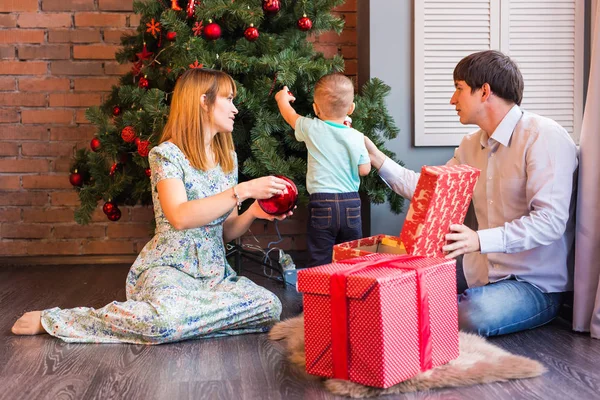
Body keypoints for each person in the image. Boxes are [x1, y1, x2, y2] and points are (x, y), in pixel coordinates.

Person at [12, 68, 294, 344]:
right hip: (168, 268)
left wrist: (255, 210)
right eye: (228, 99)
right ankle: (61, 320)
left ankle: (186, 321)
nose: (235, 108)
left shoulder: (227, 159)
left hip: (213, 273)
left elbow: (225, 231)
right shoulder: (166, 155)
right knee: (162, 323)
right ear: (203, 101)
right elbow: (180, 217)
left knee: (269, 307)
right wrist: (241, 190)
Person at [365, 50, 578, 337]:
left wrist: (479, 239)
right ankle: (414, 316)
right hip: (478, 273)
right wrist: (377, 158)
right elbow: (429, 190)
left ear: (484, 91)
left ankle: (414, 319)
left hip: (535, 285)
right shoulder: (470, 145)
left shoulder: (543, 136)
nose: (452, 99)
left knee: (473, 312)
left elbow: (550, 223)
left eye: (459, 89)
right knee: (398, 285)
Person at [275, 73, 371, 267]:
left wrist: (281, 98)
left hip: (322, 202)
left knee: (320, 255)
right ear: (351, 108)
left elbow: (289, 115)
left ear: (316, 108)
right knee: (352, 256)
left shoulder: (312, 128)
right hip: (351, 203)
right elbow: (364, 170)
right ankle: (350, 293)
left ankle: (321, 294)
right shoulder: (357, 136)